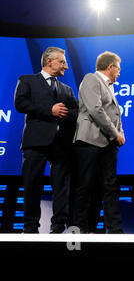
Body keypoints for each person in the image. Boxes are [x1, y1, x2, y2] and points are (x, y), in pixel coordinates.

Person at [14, 47, 78, 233]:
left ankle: (58, 228)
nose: (66, 66)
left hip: (61, 145)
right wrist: (50, 110)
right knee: (32, 185)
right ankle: (30, 228)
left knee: (62, 188)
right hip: (35, 142)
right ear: (49, 62)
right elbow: (21, 103)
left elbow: (76, 111)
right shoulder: (27, 80)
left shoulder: (66, 89)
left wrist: (65, 114)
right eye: (62, 62)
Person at [72, 51, 125, 234]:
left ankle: (115, 230)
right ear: (110, 67)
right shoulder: (91, 79)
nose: (119, 72)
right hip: (90, 142)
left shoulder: (110, 86)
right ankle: (80, 229)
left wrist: (121, 132)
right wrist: (114, 133)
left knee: (110, 187)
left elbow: (115, 114)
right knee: (85, 185)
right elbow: (96, 110)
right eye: (118, 69)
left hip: (108, 144)